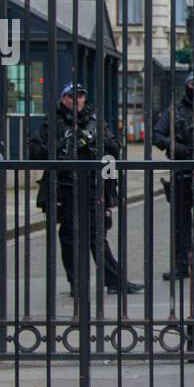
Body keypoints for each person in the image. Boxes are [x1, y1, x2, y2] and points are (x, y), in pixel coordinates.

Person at [30, 83, 143, 299]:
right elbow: (35, 151)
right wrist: (63, 143)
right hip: (64, 188)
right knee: (70, 236)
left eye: (81, 97)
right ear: (64, 99)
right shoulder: (52, 123)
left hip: (92, 186)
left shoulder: (94, 121)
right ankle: (76, 282)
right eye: (72, 97)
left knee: (97, 234)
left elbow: (115, 148)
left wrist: (94, 139)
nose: (77, 101)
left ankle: (114, 280)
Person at [152, 71, 194, 279]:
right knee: (181, 224)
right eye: (193, 84)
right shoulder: (175, 111)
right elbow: (157, 134)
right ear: (187, 86)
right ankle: (181, 265)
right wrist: (175, 146)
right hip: (182, 172)